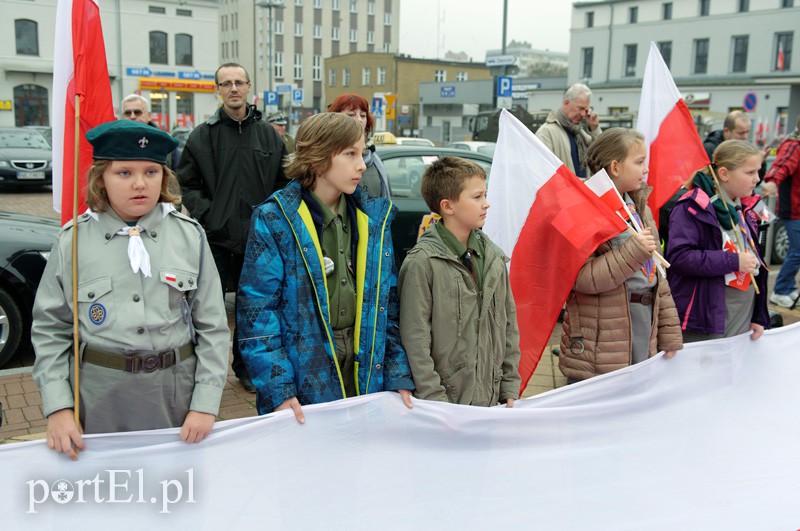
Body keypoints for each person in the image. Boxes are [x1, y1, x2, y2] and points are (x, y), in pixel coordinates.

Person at [32, 120, 230, 460]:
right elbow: (51, 330)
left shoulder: (189, 236)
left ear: (164, 178)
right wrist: (59, 407)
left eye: (151, 172)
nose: (140, 183)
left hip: (174, 395)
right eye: (124, 173)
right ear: (101, 178)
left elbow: (213, 326)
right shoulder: (73, 242)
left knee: (176, 491)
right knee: (108, 494)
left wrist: (205, 403)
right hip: (99, 398)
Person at [237, 112, 414, 423]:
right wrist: (279, 387)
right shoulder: (276, 219)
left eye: (362, 152)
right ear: (318, 159)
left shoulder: (374, 219)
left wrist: (397, 374)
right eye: (350, 154)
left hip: (365, 365)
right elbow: (258, 312)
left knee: (363, 459)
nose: (362, 164)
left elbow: (388, 306)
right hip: (305, 368)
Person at [177, 63, 288, 393]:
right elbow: (185, 182)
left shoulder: (268, 134)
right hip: (216, 239)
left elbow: (284, 182)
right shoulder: (203, 136)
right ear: (218, 90)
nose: (234, 88)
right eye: (226, 84)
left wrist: (270, 220)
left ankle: (246, 369)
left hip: (259, 240)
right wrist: (211, 216)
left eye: (239, 82)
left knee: (253, 309)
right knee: (207, 308)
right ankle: (201, 373)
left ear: (250, 87)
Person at [560, 128, 682, 383]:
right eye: (639, 162)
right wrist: (634, 251)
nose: (646, 170)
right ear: (615, 167)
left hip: (643, 327)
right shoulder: (580, 208)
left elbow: (658, 276)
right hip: (602, 343)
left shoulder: (639, 206)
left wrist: (669, 333)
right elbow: (581, 279)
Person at [398, 157, 521, 406]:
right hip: (446, 405)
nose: (486, 204)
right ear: (448, 206)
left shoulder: (494, 258)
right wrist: (435, 398)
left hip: (489, 400)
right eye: (477, 197)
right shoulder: (422, 263)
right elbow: (415, 339)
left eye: (485, 195)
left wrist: (509, 386)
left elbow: (508, 326)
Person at [667, 140, 770, 342]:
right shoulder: (693, 205)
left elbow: (756, 259)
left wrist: (759, 315)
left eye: (758, 172)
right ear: (724, 174)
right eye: (750, 173)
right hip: (710, 316)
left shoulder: (745, 205)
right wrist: (733, 261)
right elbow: (680, 257)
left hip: (742, 313)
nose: (757, 179)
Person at [761, 114, 800, 308]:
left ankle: (789, 287)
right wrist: (772, 181)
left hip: (797, 208)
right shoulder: (794, 145)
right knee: (797, 251)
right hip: (792, 209)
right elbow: (781, 166)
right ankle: (780, 290)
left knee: (797, 251)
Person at [328, 93, 391, 198]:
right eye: (351, 115)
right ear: (334, 119)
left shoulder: (373, 158)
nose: (359, 120)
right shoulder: (328, 155)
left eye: (363, 115)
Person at [535, 83, 601, 178]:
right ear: (566, 103)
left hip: (581, 191)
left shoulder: (580, 133)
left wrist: (594, 128)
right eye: (580, 108)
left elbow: (602, 155)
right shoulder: (546, 132)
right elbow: (543, 171)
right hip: (562, 192)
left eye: (586, 110)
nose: (583, 114)